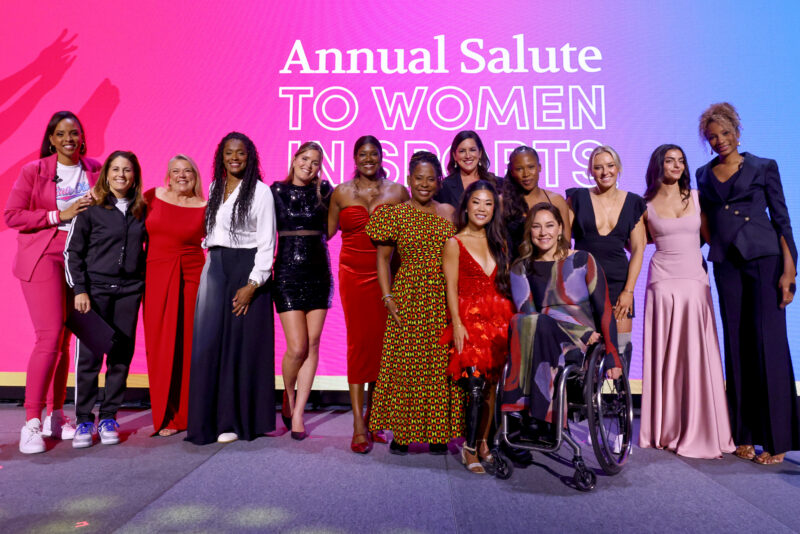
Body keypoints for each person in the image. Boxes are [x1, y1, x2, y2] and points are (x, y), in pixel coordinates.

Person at [696, 102, 798, 464]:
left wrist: (790, 272)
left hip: (765, 261)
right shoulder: (703, 174)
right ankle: (745, 433)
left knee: (768, 345)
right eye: (712, 137)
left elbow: (782, 220)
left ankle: (777, 439)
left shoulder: (763, 166)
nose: (720, 141)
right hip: (728, 266)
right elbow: (705, 220)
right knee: (737, 346)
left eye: (725, 133)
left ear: (737, 133)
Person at [5, 111, 100, 454]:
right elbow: (12, 215)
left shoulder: (95, 169)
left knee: (64, 339)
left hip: (80, 259)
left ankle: (56, 415)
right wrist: (58, 215)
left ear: (82, 136)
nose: (68, 139)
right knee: (48, 337)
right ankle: (31, 421)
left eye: (74, 133)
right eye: (61, 134)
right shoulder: (35, 170)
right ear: (51, 139)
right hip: (44, 255)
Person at [639, 144, 735, 458]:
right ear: (658, 165)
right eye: (670, 160)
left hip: (695, 278)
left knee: (696, 352)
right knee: (668, 355)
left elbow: (709, 236)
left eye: (681, 160)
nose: (677, 165)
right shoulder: (644, 205)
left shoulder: (696, 197)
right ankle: (667, 427)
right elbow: (637, 244)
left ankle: (702, 426)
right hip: (662, 281)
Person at [366, 151, 463, 455]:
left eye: (430, 179)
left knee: (438, 366)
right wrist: (387, 297)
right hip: (407, 295)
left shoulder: (449, 212)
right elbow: (383, 260)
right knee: (406, 366)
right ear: (409, 179)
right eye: (418, 178)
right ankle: (403, 434)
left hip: (442, 297)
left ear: (439, 182)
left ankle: (438, 433)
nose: (424, 184)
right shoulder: (394, 214)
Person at [186, 132, 276, 445]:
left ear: (250, 157)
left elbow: (267, 243)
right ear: (221, 157)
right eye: (228, 153)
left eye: (240, 153)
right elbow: (213, 231)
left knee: (240, 348)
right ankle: (209, 420)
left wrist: (253, 284)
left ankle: (234, 421)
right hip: (216, 267)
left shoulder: (261, 192)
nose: (234, 158)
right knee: (209, 344)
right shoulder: (214, 188)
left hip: (247, 269)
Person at [503, 203, 621, 428]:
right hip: (542, 338)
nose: (543, 232)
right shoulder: (520, 268)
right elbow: (529, 315)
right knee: (522, 320)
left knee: (537, 321)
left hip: (582, 347)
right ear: (529, 232)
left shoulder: (583, 260)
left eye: (549, 225)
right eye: (536, 226)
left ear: (560, 229)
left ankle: (536, 415)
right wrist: (580, 330)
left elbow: (604, 309)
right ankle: (533, 412)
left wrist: (612, 354)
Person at [328, 135, 408, 453]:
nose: (369, 159)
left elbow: (409, 234)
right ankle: (358, 425)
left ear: (381, 156)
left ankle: (374, 418)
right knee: (358, 345)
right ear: (354, 158)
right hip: (352, 275)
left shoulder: (398, 192)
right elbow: (326, 232)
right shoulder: (340, 192)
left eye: (374, 154)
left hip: (387, 277)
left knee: (381, 347)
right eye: (363, 154)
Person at [64, 151, 147, 448]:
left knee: (120, 357)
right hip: (94, 293)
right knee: (89, 358)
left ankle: (109, 416)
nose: (121, 175)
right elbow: (73, 252)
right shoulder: (90, 207)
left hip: (128, 293)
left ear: (134, 175)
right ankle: (84, 420)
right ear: (106, 174)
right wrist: (80, 290)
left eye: (127, 170)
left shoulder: (142, 210)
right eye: (115, 169)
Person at [441, 180, 513, 473]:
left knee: (492, 387)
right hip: (469, 321)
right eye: (476, 202)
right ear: (466, 205)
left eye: (488, 203)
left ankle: (484, 442)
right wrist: (457, 323)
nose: (482, 208)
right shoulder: (454, 243)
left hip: (498, 321)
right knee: (474, 386)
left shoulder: (500, 242)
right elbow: (451, 287)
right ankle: (469, 449)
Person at [271, 142, 333, 441]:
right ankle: (288, 392)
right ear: (294, 159)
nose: (309, 165)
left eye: (315, 162)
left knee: (313, 343)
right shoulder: (276, 191)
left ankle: (298, 413)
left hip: (319, 272)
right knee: (297, 347)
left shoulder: (326, 192)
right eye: (305, 158)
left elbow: (332, 229)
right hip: (286, 272)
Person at [567, 145, 645, 372]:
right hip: (582, 284)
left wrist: (628, 291)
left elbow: (638, 248)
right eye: (598, 167)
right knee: (583, 353)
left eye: (610, 166)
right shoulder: (577, 197)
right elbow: (563, 243)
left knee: (620, 353)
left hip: (618, 285)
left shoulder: (633, 202)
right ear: (591, 171)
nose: (605, 172)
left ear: (618, 168)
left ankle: (618, 394)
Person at [143, 155, 206, 437]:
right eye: (176, 171)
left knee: (188, 346)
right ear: (168, 175)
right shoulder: (151, 197)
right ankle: (165, 413)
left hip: (193, 276)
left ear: (195, 175)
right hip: (156, 276)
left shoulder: (205, 206)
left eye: (188, 171)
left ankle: (185, 415)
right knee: (160, 344)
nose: (182, 175)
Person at [502, 145, 571, 259]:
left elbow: (565, 242)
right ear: (512, 171)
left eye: (531, 167)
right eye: (519, 169)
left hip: (550, 266)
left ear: (539, 167)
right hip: (515, 266)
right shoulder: (502, 202)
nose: (526, 174)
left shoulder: (556, 200)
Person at [434, 130, 499, 208]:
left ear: (480, 153)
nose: (468, 156)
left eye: (472, 150)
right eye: (462, 151)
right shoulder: (444, 187)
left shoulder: (497, 183)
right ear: (454, 156)